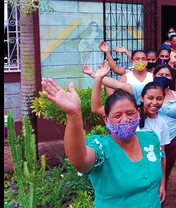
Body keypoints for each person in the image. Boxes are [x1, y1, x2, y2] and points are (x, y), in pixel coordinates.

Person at [41, 78, 165, 207]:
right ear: (106, 119)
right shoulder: (101, 149)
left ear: (138, 113)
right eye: (117, 116)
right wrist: (73, 115)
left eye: (130, 113)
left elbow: (160, 159)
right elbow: (80, 161)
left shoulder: (150, 139)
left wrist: (162, 185)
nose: (125, 120)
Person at [92, 63, 176, 188]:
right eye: (150, 98)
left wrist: (162, 183)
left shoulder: (161, 123)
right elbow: (96, 108)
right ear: (141, 98)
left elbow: (161, 156)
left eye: (159, 99)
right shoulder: (131, 118)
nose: (154, 102)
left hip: (153, 176)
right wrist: (98, 79)